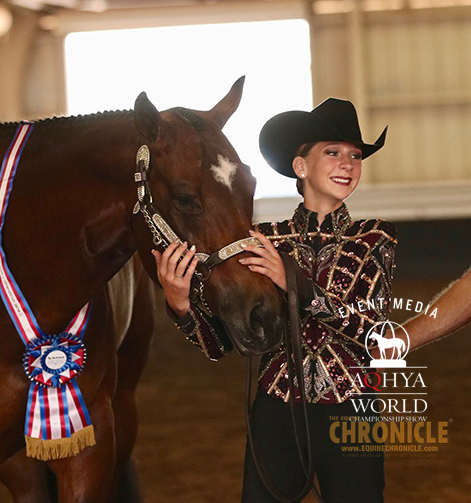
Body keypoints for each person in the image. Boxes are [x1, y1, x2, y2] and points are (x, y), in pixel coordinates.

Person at [152, 98, 396, 503]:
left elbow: (371, 333)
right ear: (301, 167)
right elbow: (223, 345)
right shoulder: (262, 238)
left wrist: (292, 281)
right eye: (332, 153)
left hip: (353, 410)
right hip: (275, 410)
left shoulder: (375, 237)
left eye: (355, 156)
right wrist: (181, 306)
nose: (348, 164)